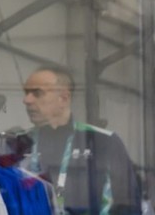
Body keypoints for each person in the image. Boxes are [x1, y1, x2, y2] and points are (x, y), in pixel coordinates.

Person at [22, 64, 142, 215]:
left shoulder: (103, 141)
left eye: (37, 93)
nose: (26, 100)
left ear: (64, 98)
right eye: (26, 92)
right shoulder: (19, 143)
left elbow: (127, 206)